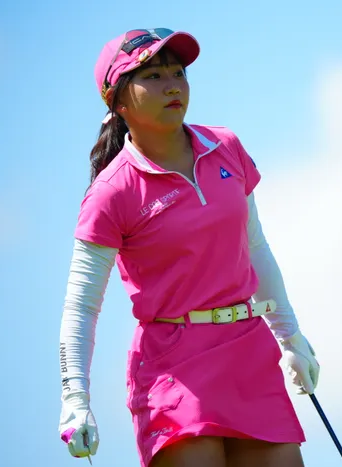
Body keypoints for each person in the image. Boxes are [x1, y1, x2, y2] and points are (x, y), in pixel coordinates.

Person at [57, 28, 320, 467]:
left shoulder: (226, 147)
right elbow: (81, 307)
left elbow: (254, 247)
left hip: (248, 351)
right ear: (118, 102)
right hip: (172, 368)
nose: (172, 85)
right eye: (153, 76)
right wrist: (75, 398)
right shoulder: (111, 193)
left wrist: (290, 336)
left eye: (177, 72)